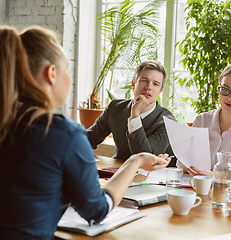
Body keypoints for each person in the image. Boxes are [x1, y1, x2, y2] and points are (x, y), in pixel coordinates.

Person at [0, 26, 170, 239]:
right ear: (52, 74)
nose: (149, 87)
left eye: (155, 84)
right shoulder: (64, 132)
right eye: (68, 71)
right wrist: (135, 161)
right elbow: (96, 210)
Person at [86, 60, 176, 161]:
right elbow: (89, 139)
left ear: (160, 91)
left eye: (155, 84)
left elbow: (144, 158)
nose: (148, 87)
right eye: (144, 81)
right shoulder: (115, 107)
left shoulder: (167, 121)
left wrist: (135, 115)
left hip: (148, 175)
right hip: (115, 170)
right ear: (133, 84)